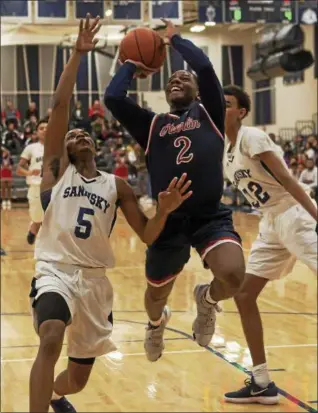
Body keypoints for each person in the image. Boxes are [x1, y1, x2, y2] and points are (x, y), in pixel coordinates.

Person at [29, 15, 192, 413]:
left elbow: (149, 236)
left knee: (79, 380)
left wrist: (165, 210)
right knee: (50, 336)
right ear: (63, 151)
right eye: (70, 135)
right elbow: (60, 104)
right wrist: (77, 55)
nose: (77, 133)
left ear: (95, 145)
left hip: (96, 283)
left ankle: (52, 393)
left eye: (82, 132)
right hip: (55, 270)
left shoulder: (116, 185)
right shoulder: (57, 172)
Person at [105, 19, 245, 362]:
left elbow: (203, 66)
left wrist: (175, 40)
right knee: (156, 296)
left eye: (184, 78)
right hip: (169, 220)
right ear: (165, 93)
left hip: (209, 215)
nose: (177, 79)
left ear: (198, 91)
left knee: (233, 275)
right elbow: (112, 97)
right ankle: (156, 324)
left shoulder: (210, 112)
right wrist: (130, 64)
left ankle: (207, 300)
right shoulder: (153, 125)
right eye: (171, 79)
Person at [222, 85, 317, 405]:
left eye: (228, 104)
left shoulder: (252, 137)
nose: (221, 108)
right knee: (245, 294)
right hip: (271, 223)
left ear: (242, 112)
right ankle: (262, 381)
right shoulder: (227, 150)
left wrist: (315, 215)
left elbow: (289, 179)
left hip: (294, 215)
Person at [16, 119, 47, 244]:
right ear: (36, 132)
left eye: (47, 128)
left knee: (53, 220)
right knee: (37, 217)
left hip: (54, 187)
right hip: (36, 186)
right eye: (41, 128)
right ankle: (34, 227)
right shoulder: (31, 148)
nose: (45, 130)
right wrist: (29, 173)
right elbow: (19, 169)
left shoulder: (58, 148)